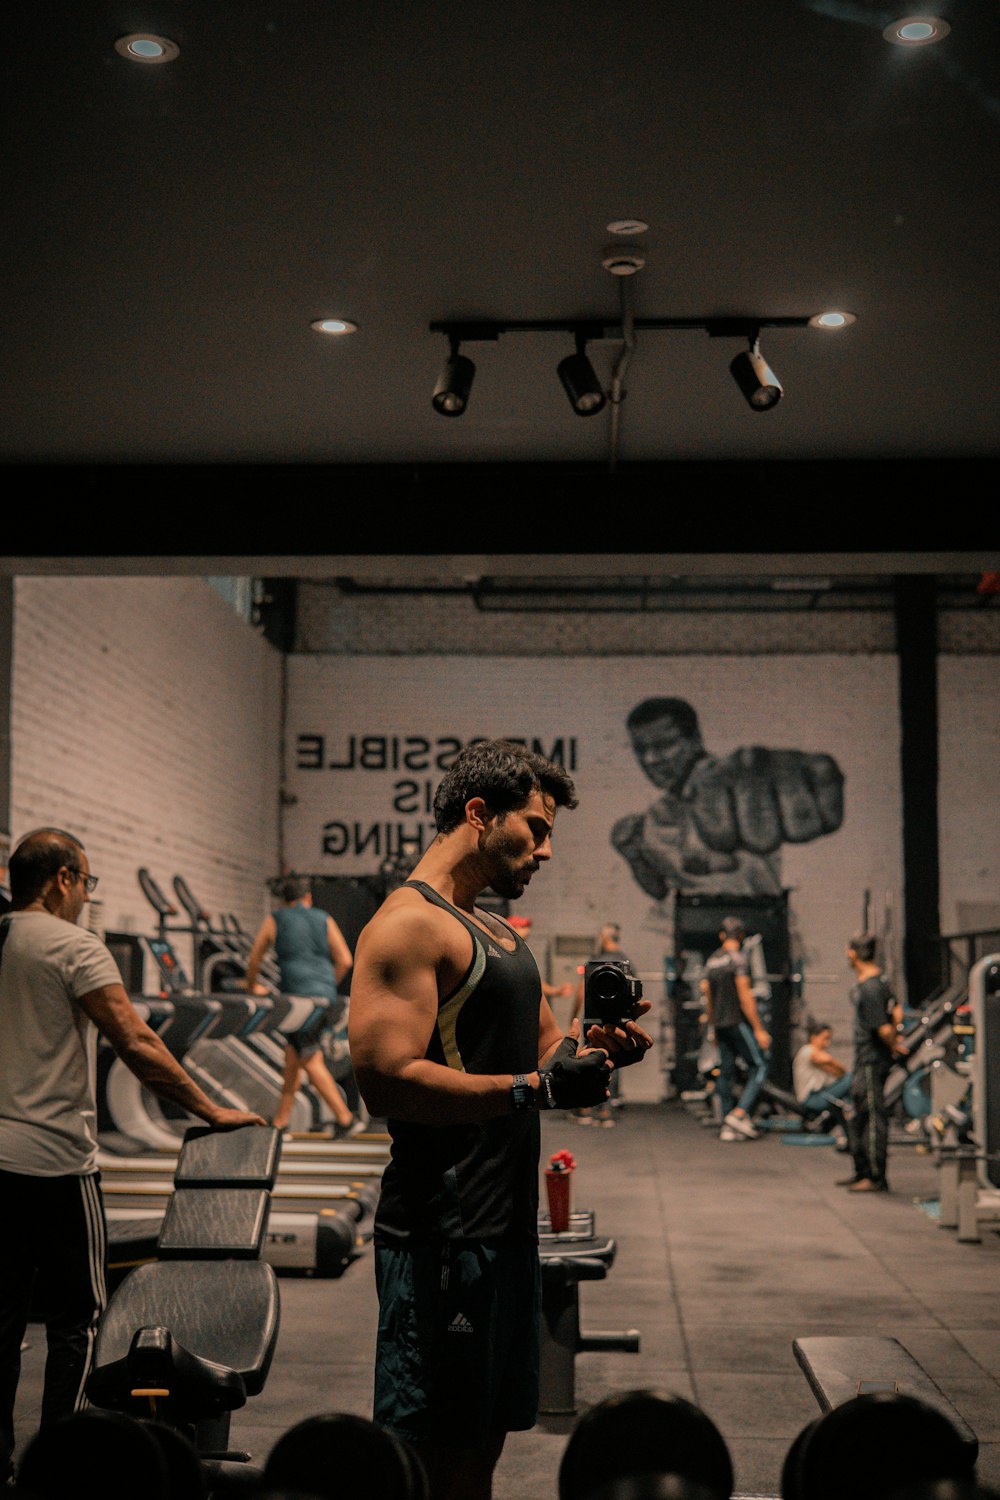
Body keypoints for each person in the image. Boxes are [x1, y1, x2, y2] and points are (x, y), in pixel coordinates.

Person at [347, 740, 653, 1500]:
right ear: (479, 813)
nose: (546, 850)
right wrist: (534, 1092)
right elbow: (387, 1082)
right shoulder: (408, 926)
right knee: (432, 1458)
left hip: (505, 1228)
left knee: (483, 1446)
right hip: (441, 1234)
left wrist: (597, 1051)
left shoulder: (499, 933)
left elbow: (551, 1057)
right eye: (537, 828)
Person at [0, 827, 265, 1487]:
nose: (88, 895)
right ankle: (56, 1462)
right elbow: (137, 1041)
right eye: (87, 882)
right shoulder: (72, 944)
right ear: (61, 879)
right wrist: (211, 1110)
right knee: (77, 1318)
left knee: (2, 1319)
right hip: (57, 1161)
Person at [611, 697, 844, 900]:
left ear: (695, 740)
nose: (651, 759)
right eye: (640, 749)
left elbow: (747, 778)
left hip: (755, 925)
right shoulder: (659, 813)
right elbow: (660, 892)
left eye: (664, 745)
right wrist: (636, 858)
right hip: (690, 932)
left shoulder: (732, 785)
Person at [243, 877, 356, 1135]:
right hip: (325, 997)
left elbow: (255, 956)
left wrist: (252, 986)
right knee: (293, 1057)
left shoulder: (276, 919)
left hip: (297, 1000)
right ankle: (281, 1123)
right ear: (308, 898)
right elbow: (345, 960)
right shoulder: (324, 918)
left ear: (284, 900)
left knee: (310, 1059)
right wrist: (326, 986)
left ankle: (345, 1119)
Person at [838, 932, 904, 1194]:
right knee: (858, 1117)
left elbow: (885, 1028)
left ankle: (875, 1177)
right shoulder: (878, 982)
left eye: (847, 950)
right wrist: (895, 1034)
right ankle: (862, 1171)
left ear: (854, 953)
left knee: (873, 1118)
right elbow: (897, 1009)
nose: (845, 954)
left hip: (871, 1060)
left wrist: (893, 1041)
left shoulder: (871, 988)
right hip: (866, 1058)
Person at [699, 916, 771, 1142]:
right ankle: (739, 1114)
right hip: (735, 1022)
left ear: (722, 935)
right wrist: (759, 1029)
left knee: (726, 1072)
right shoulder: (738, 959)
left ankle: (727, 1125)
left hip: (719, 1024)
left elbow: (707, 995)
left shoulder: (712, 961)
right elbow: (745, 997)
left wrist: (711, 1026)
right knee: (759, 1065)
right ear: (740, 937)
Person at [572, 922, 634, 1127]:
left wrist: (572, 1016)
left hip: (593, 1019)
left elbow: (581, 992)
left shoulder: (595, 961)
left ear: (605, 937)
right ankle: (606, 1110)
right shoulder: (626, 961)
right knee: (613, 1060)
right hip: (617, 1020)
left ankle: (586, 1108)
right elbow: (633, 995)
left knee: (589, 1059)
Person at [792, 1020, 852, 1117]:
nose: (827, 1043)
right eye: (825, 1039)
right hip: (812, 1099)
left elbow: (838, 1073)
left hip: (817, 1095)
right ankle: (850, 1111)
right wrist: (833, 1063)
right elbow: (831, 1062)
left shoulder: (814, 1054)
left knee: (846, 1080)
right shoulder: (808, 1050)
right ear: (814, 1037)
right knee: (850, 1078)